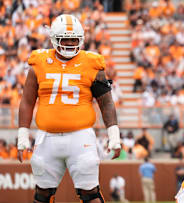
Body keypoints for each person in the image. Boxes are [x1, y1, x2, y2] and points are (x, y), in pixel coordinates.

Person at [16, 14, 121, 203]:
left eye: (74, 39)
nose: (70, 43)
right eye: (66, 38)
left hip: (81, 137)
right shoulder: (39, 62)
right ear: (54, 38)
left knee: (90, 193)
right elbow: (27, 100)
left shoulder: (92, 63)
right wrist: (23, 133)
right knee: (42, 194)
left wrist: (113, 134)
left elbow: (106, 102)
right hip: (47, 137)